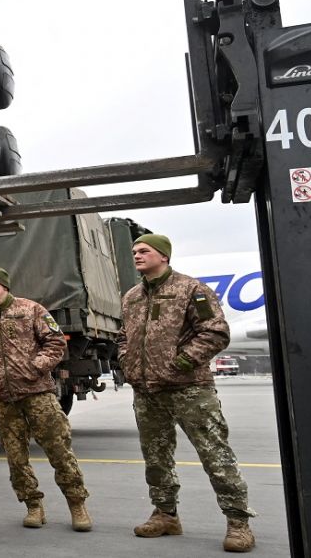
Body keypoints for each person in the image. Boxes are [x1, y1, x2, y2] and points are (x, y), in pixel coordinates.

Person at [118, 234, 256, 553]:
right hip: (148, 391)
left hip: (189, 389)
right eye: (134, 252)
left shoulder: (190, 289)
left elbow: (215, 332)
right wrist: (127, 361)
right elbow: (123, 337)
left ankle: (238, 522)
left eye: (144, 251)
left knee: (215, 454)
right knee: (156, 457)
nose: (137, 255)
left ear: (163, 256)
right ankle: (165, 514)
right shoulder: (132, 297)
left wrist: (180, 363)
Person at [0, 267, 92, 531]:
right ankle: (33, 506)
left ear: (5, 286)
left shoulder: (31, 309)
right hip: (3, 399)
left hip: (38, 395)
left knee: (59, 450)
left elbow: (56, 342)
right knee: (16, 458)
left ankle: (77, 504)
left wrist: (36, 366)